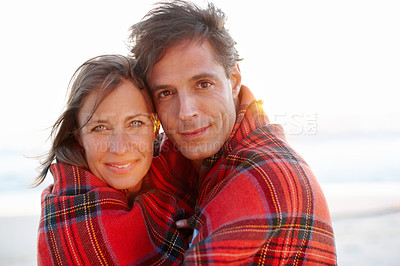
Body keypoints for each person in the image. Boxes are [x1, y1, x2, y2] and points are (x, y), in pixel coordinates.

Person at [129, 1, 337, 264]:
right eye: (166, 93)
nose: (186, 112)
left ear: (234, 81)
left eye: (203, 84)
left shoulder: (266, 173)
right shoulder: (176, 160)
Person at [35, 54, 197, 265]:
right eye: (100, 128)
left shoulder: (184, 175)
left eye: (135, 123)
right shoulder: (68, 222)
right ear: (78, 135)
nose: (119, 148)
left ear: (155, 126)